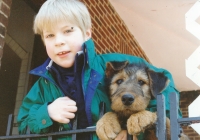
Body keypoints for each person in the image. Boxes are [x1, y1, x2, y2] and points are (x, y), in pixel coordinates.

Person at [17, 0, 182, 139]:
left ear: (87, 33)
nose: (59, 41)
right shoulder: (42, 85)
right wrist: (47, 113)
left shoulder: (115, 64)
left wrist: (144, 119)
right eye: (49, 35)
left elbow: (164, 86)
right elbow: (22, 127)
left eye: (67, 31)